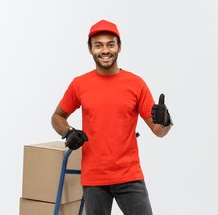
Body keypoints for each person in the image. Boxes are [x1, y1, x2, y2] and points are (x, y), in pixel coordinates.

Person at [51, 19, 173, 215]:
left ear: (119, 47)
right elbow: (57, 116)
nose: (105, 50)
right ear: (90, 49)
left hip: (129, 176)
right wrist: (68, 132)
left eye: (110, 44)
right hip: (94, 179)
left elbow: (159, 131)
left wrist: (166, 121)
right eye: (98, 45)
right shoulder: (80, 84)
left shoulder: (135, 84)